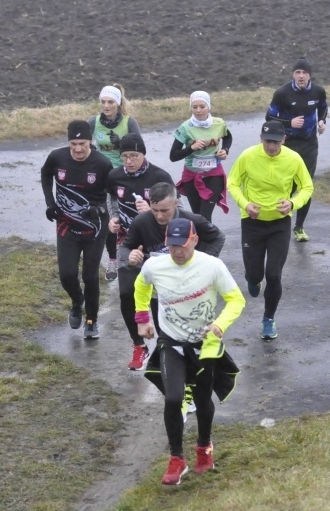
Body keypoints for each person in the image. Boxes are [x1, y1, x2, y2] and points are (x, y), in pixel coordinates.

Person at [134, 218, 245, 485]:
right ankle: (177, 458)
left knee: (203, 398)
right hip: (170, 343)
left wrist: (219, 325)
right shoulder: (155, 266)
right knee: (173, 399)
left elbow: (236, 300)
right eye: (172, 246)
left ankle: (204, 449)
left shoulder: (212, 266)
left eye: (182, 245)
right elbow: (141, 286)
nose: (177, 252)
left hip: (204, 346)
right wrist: (143, 318)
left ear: (194, 240)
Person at [120, 182, 226, 419]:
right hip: (160, 296)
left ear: (176, 203)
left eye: (164, 211)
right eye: (155, 210)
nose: (159, 216)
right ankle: (181, 392)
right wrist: (130, 256)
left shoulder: (193, 220)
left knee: (190, 342)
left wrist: (199, 264)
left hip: (190, 297)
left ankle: (193, 389)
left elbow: (218, 237)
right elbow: (125, 247)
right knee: (169, 343)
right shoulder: (142, 222)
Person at [226, 120, 314, 340]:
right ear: (260, 139)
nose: (271, 147)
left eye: (275, 142)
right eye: (267, 142)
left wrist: (292, 204)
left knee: (273, 275)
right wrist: (245, 204)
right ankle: (252, 279)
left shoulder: (293, 159)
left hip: (279, 224)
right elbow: (233, 183)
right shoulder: (248, 156)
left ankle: (268, 319)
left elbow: (307, 187)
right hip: (252, 222)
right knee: (255, 275)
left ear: (284, 140)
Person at [104, 134, 175, 370]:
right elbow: (111, 198)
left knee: (157, 298)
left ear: (143, 154)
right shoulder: (115, 175)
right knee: (126, 293)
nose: (129, 161)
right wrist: (113, 217)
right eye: (125, 156)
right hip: (127, 241)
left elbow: (179, 207)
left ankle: (164, 348)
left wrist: (151, 212)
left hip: (156, 244)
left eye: (134, 156)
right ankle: (139, 345)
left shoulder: (159, 176)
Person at [41, 119, 114, 339]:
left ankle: (91, 321)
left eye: (82, 143)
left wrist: (99, 209)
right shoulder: (57, 157)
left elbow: (112, 198)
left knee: (90, 276)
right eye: (73, 143)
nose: (78, 149)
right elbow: (45, 175)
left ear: (90, 142)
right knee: (67, 274)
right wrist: (50, 203)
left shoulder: (102, 164)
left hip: (95, 229)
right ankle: (76, 301)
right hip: (66, 225)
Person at [265, 57, 328, 242]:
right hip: (288, 144)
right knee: (287, 185)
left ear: (310, 75)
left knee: (306, 185)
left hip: (309, 144)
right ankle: (279, 222)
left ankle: (299, 227)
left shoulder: (318, 91)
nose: (301, 76)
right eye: (297, 72)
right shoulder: (282, 93)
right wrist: (289, 123)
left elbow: (323, 108)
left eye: (304, 73)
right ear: (293, 74)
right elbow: (269, 116)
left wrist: (323, 121)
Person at [88, 84, 141, 282]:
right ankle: (112, 260)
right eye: (103, 102)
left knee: (126, 218)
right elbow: (85, 145)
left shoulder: (129, 122)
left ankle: (133, 254)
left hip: (124, 177)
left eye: (110, 102)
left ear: (118, 103)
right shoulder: (93, 122)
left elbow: (139, 149)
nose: (106, 106)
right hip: (102, 177)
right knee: (109, 220)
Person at [169, 91, 233, 222]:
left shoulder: (219, 123)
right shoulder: (185, 127)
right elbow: (173, 156)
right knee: (197, 216)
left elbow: (228, 137)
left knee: (204, 216)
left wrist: (225, 150)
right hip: (192, 175)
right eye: (194, 107)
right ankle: (201, 241)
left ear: (209, 106)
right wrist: (191, 148)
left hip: (213, 174)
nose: (198, 110)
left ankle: (211, 241)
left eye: (202, 106)